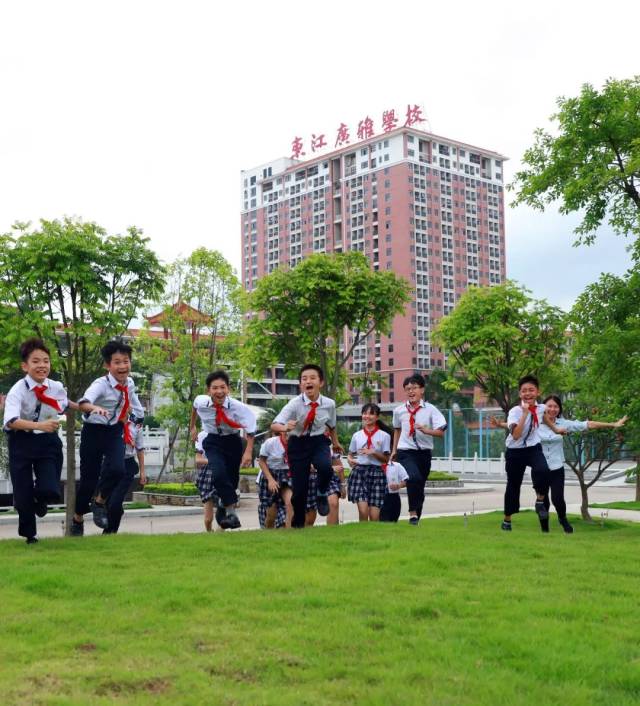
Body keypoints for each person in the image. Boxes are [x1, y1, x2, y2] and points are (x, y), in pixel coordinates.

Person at [71, 340, 144, 537]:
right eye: (117, 362)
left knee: (118, 469)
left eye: (126, 362)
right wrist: (94, 408)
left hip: (113, 431)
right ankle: (77, 518)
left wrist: (138, 418)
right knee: (88, 481)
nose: (122, 367)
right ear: (108, 365)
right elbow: (83, 402)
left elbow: (134, 403)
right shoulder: (100, 385)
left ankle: (99, 502)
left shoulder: (129, 383)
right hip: (93, 431)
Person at [3, 338, 68, 544]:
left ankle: (42, 498)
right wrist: (39, 426)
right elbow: (11, 421)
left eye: (46, 361)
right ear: (25, 366)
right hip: (21, 441)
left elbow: (65, 404)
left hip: (47, 442)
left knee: (49, 488)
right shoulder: (17, 390)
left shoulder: (56, 387)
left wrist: (89, 407)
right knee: (22, 493)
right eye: (36, 361)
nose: (42, 365)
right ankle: (30, 535)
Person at [534, 396, 626, 533]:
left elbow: (588, 424)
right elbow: (517, 425)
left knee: (557, 498)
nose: (552, 409)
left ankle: (563, 519)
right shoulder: (534, 423)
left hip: (556, 468)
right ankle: (545, 530)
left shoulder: (564, 423)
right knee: (542, 501)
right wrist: (502, 425)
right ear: (543, 407)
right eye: (549, 406)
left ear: (559, 409)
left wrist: (613, 424)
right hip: (539, 468)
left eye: (556, 406)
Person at [271, 364, 343, 528]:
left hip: (318, 441)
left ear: (321, 382)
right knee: (300, 489)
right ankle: (298, 524)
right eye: (304, 379)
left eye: (312, 378)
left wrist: (336, 442)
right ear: (300, 384)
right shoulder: (294, 404)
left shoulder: (329, 404)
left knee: (325, 468)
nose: (308, 382)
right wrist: (285, 428)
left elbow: (331, 425)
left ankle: (321, 492)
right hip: (297, 444)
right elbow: (274, 425)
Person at [495, 375, 563, 532]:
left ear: (537, 392)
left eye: (531, 390)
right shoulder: (514, 412)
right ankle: (507, 519)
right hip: (515, 452)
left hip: (533, 448)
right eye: (524, 391)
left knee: (544, 471)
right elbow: (516, 435)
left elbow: (545, 419)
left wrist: (557, 429)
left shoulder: (541, 408)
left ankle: (540, 500)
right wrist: (525, 413)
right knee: (513, 485)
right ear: (520, 394)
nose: (528, 393)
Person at [190, 370, 256, 530]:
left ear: (228, 389)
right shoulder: (201, 401)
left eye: (222, 387)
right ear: (208, 390)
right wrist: (192, 426)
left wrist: (248, 452)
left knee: (232, 480)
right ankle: (231, 513)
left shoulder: (237, 407)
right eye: (215, 388)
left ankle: (222, 504)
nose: (219, 391)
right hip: (212, 440)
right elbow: (194, 408)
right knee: (218, 473)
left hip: (233, 441)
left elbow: (251, 428)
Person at [391, 374, 447, 525]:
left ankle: (416, 516)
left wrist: (425, 430)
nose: (411, 391)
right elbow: (397, 429)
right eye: (408, 389)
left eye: (414, 388)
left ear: (422, 390)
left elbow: (441, 432)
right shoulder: (399, 411)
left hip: (424, 453)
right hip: (405, 451)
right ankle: (412, 513)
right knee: (413, 477)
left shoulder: (431, 410)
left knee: (419, 485)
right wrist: (394, 450)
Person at [347, 403, 392, 522]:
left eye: (371, 413)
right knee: (363, 511)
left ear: (377, 417)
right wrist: (350, 460)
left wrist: (373, 452)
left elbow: (386, 459)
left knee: (374, 516)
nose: (367, 416)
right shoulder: (356, 435)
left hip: (377, 474)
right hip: (359, 472)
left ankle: (372, 536)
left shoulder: (385, 436)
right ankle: (362, 536)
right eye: (365, 413)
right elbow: (350, 454)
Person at [102, 415, 146, 534]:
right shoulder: (109, 420)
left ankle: (110, 531)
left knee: (115, 502)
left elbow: (140, 449)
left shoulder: (136, 425)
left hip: (127, 464)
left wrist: (142, 472)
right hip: (110, 463)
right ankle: (114, 520)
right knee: (107, 500)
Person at [256, 432, 292, 528]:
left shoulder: (297, 442)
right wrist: (270, 480)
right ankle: (268, 533)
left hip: (287, 475)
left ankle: (290, 534)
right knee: (271, 515)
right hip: (271, 474)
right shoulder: (270, 442)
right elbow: (261, 461)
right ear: (282, 431)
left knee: (290, 502)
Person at [194, 430, 220, 532]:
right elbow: (198, 459)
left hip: (223, 471)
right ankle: (209, 533)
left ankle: (220, 534)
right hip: (208, 473)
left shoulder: (227, 432)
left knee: (225, 510)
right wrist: (214, 461)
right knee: (208, 519)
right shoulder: (202, 435)